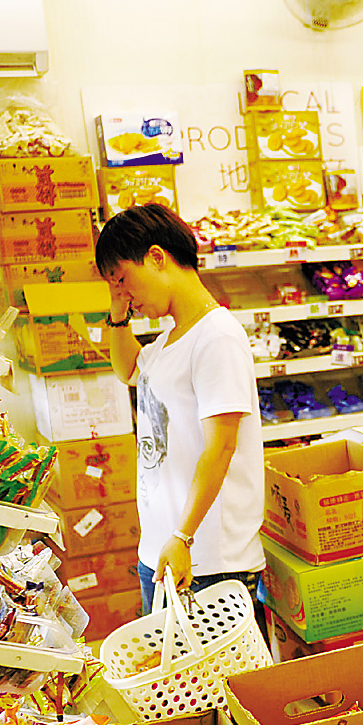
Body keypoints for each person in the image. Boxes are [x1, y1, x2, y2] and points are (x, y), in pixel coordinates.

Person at [97, 204, 265, 613]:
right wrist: (117, 311)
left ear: (156, 257)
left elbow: (220, 448)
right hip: (163, 550)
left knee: (219, 676)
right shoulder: (171, 337)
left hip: (207, 558)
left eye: (123, 280)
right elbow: (127, 369)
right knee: (175, 676)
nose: (124, 293)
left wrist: (183, 536)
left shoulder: (217, 337)